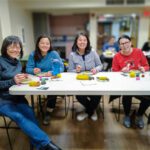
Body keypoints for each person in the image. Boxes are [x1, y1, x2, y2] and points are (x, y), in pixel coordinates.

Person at [0, 35, 62, 150]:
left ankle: (37, 144)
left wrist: (23, 77)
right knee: (19, 117)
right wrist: (12, 81)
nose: (15, 50)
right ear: (5, 48)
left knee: (31, 115)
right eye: (12, 47)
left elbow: (60, 67)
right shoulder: (1, 62)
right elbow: (11, 80)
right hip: (3, 100)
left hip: (17, 98)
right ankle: (47, 145)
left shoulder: (17, 62)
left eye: (18, 47)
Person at [112, 34, 150, 129]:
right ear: (119, 46)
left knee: (148, 97)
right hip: (125, 84)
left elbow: (147, 66)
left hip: (139, 82)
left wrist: (143, 68)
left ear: (130, 43)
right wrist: (121, 71)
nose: (125, 45)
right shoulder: (116, 56)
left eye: (126, 42)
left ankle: (139, 115)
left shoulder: (138, 52)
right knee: (127, 95)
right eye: (122, 44)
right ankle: (127, 116)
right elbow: (114, 72)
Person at [26, 35, 64, 125]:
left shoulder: (54, 53)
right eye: (42, 43)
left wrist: (53, 72)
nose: (45, 45)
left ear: (50, 45)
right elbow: (28, 69)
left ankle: (48, 112)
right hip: (38, 79)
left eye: (47, 43)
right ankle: (33, 112)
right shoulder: (33, 54)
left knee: (52, 91)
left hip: (52, 78)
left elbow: (62, 67)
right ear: (38, 44)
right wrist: (33, 70)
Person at [68, 32, 103, 121]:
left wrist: (96, 69)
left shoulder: (93, 52)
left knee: (97, 95)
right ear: (76, 42)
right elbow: (69, 70)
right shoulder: (72, 55)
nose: (82, 42)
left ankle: (88, 111)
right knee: (79, 96)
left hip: (93, 79)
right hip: (80, 81)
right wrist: (76, 70)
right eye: (80, 40)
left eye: (84, 40)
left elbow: (100, 65)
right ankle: (92, 110)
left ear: (87, 42)